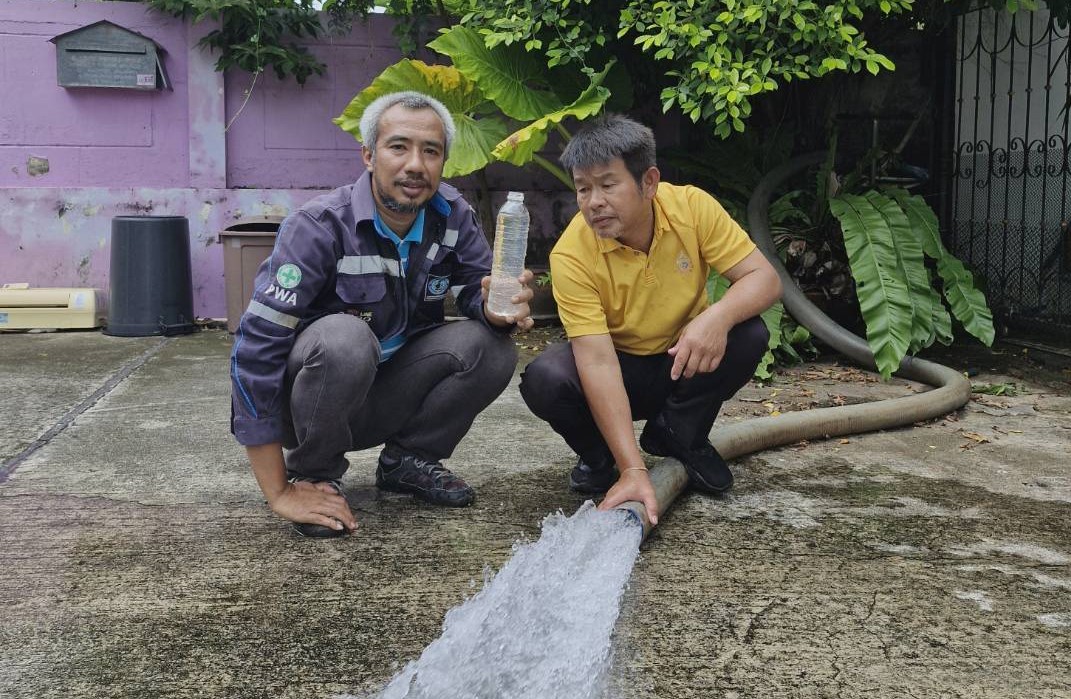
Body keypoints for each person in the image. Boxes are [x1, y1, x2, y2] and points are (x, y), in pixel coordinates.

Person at [231, 91, 534, 538]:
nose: (415, 164)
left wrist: (496, 308)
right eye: (399, 147)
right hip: (315, 402)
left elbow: (476, 289)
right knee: (345, 339)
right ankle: (315, 475)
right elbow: (255, 349)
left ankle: (408, 460)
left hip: (388, 394)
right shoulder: (318, 227)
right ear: (369, 155)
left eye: (431, 151)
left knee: (491, 348)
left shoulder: (452, 217)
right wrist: (277, 491)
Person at [520, 114, 781, 526]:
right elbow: (597, 362)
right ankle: (601, 457)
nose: (593, 202)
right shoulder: (572, 254)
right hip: (618, 368)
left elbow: (764, 279)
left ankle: (680, 433)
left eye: (608, 184)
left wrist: (717, 317)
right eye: (583, 189)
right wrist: (633, 470)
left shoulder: (692, 207)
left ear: (649, 181)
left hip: (682, 360)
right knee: (546, 378)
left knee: (748, 332)